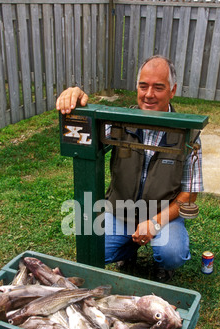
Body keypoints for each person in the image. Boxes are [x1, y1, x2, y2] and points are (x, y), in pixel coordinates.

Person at [56, 55, 203, 282]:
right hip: (120, 210)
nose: (149, 94)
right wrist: (76, 98)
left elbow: (190, 193)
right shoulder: (119, 122)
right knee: (93, 250)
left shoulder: (188, 134)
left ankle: (163, 263)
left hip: (163, 214)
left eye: (158, 87)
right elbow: (83, 127)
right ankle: (129, 249)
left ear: (172, 90)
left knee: (172, 253)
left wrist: (154, 223)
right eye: (143, 86)